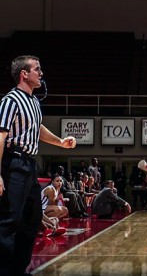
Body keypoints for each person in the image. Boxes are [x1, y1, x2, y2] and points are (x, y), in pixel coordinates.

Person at [0, 55, 77, 276]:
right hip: (13, 162)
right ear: (24, 74)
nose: (41, 73)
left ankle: (18, 268)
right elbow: (0, 137)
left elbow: (38, 128)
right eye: (37, 69)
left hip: (29, 164)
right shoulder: (10, 100)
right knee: (9, 220)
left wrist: (60, 142)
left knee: (32, 218)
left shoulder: (33, 102)